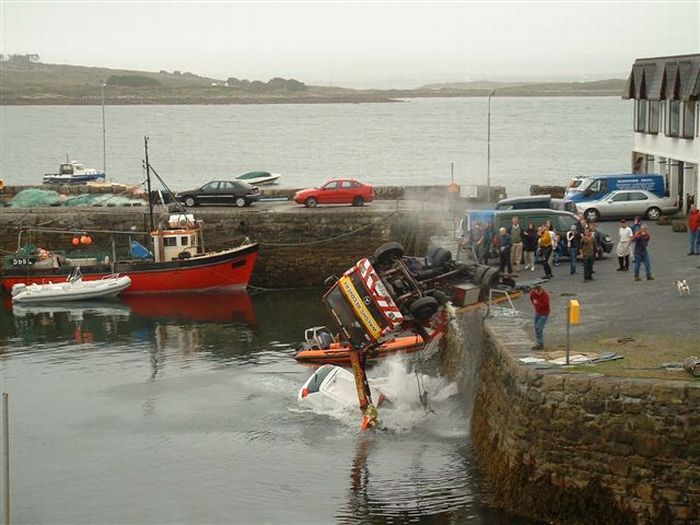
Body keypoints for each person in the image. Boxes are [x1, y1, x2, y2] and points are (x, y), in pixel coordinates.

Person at [529, 284, 550, 351]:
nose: (538, 294)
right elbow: (532, 299)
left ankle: (540, 344)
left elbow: (545, 305)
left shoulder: (545, 296)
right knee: (536, 328)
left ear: (541, 290)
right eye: (536, 292)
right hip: (537, 312)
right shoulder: (533, 293)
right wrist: (535, 304)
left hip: (544, 314)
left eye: (539, 292)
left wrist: (537, 303)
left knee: (539, 328)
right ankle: (539, 343)